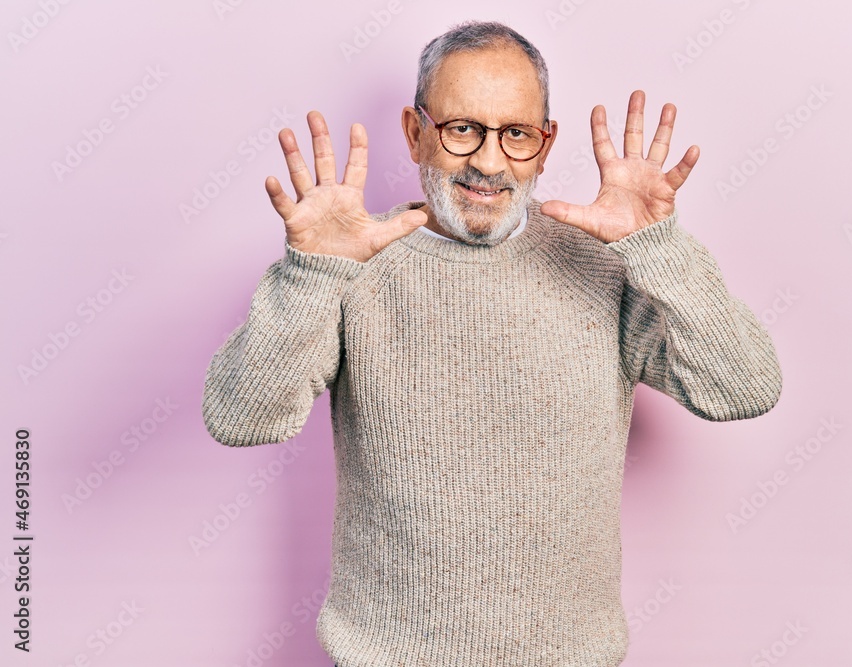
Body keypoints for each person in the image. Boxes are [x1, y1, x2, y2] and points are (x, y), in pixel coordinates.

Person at [201, 20, 782, 667]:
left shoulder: (604, 262)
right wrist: (312, 274)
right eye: (461, 129)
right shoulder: (350, 264)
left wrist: (660, 248)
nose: (487, 160)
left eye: (515, 134)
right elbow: (239, 414)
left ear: (544, 143)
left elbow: (745, 386)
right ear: (415, 132)